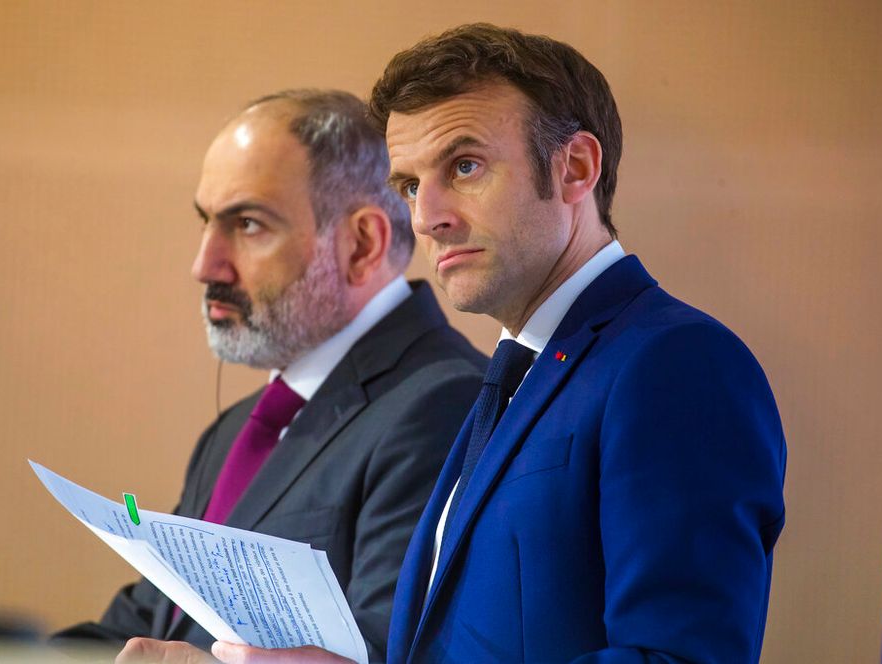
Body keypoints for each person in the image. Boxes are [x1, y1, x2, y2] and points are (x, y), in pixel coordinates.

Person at [137, 23, 787, 664]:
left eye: (466, 166)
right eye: (412, 185)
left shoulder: (674, 364)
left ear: (576, 169)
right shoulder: (517, 376)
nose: (427, 217)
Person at [52, 89, 486, 662]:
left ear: (361, 244)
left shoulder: (444, 405)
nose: (205, 265)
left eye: (249, 224)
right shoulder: (234, 432)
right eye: (208, 222)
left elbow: (390, 651)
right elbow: (150, 619)